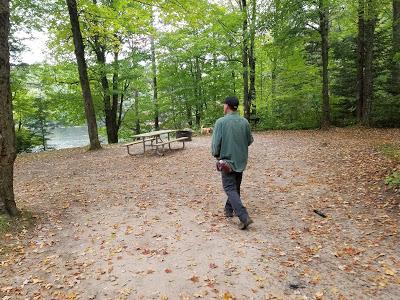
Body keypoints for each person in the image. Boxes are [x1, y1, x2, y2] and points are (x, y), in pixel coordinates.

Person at [211, 96, 254, 230]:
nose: (223, 107)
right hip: (241, 160)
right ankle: (229, 210)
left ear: (227, 106)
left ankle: (243, 216)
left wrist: (216, 155)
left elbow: (215, 145)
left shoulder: (221, 122)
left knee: (229, 188)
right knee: (235, 187)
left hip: (227, 161)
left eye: (224, 105)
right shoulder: (244, 122)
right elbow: (249, 141)